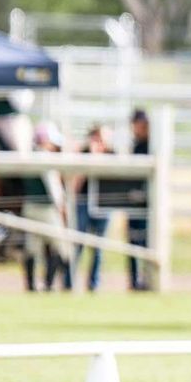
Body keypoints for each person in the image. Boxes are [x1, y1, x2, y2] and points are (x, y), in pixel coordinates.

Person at [22, 121, 72, 291]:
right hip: (46, 209)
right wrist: (62, 206)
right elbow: (53, 186)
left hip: (29, 207)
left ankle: (31, 286)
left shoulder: (28, 155)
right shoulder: (45, 157)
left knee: (32, 248)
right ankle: (49, 284)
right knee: (62, 247)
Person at [73, 124, 113, 292]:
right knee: (77, 244)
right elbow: (75, 182)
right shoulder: (83, 153)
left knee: (97, 248)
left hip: (103, 205)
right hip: (83, 203)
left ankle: (93, 284)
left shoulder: (112, 155)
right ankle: (70, 282)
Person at [127, 109, 150, 291]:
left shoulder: (150, 146)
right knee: (133, 243)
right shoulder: (136, 145)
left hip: (147, 206)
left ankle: (146, 279)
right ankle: (134, 282)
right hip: (134, 204)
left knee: (147, 243)